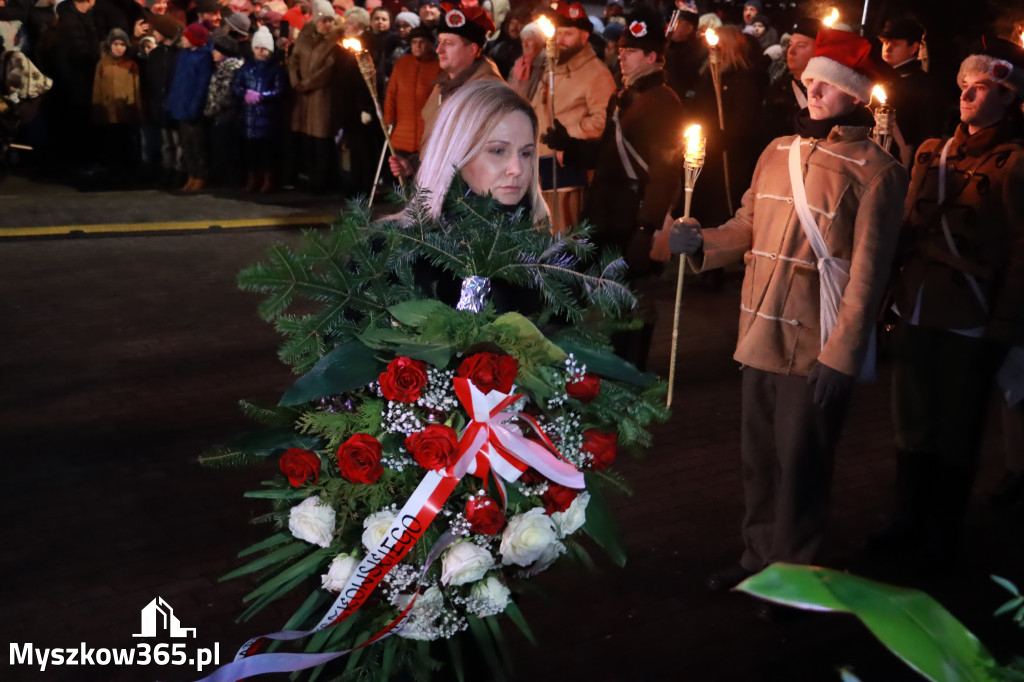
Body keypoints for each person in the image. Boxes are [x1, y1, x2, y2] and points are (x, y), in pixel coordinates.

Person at [670, 28, 908, 609]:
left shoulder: (876, 169)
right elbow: (747, 226)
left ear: (854, 95)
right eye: (812, 81)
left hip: (816, 340)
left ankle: (796, 576)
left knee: (801, 463)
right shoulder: (777, 151)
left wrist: (841, 354)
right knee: (758, 459)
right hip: (760, 331)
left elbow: (868, 276)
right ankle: (757, 560)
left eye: (829, 83)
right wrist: (700, 240)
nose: (815, 89)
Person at [869, 37, 1024, 566]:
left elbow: (1021, 251)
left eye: (983, 89)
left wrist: (1004, 322)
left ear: (1007, 98)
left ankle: (942, 532)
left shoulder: (1015, 164)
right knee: (912, 419)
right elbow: (909, 223)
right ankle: (907, 517)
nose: (969, 97)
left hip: (971, 312)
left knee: (957, 425)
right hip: (916, 304)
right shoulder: (934, 153)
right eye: (964, 87)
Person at [543, 6, 684, 370]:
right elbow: (608, 154)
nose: (620, 56)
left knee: (632, 302)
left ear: (652, 56)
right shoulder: (622, 97)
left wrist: (646, 228)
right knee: (576, 289)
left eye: (631, 51)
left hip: (631, 217)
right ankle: (587, 365)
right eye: (620, 50)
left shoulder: (664, 103)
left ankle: (629, 372)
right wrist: (570, 145)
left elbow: (666, 172)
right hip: (603, 213)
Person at [388, 2, 501, 180]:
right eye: (440, 42)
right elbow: (439, 145)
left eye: (449, 43)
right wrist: (414, 164)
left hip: (468, 200)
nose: (439, 49)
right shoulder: (443, 85)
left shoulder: (487, 91)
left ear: (472, 49)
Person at [532, 1, 615, 232]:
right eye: (558, 33)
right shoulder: (551, 67)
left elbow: (602, 122)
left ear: (584, 36)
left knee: (564, 237)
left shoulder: (596, 73)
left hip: (569, 170)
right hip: (541, 164)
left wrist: (567, 137)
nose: (560, 39)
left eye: (568, 34)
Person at [287, 0, 342, 191]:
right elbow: (294, 59)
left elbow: (329, 68)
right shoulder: (306, 33)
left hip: (321, 96)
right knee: (306, 137)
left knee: (321, 138)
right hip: (303, 97)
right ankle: (308, 176)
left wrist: (307, 83)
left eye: (330, 20)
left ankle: (323, 181)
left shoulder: (335, 39)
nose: (327, 25)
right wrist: (296, 82)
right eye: (323, 20)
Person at [877, 17, 946, 167]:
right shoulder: (877, 77)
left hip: (901, 164)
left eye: (895, 44)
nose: (887, 49)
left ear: (914, 48)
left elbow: (928, 133)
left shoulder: (924, 85)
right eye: (885, 43)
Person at [232, 24, 287, 192]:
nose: (260, 51)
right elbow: (236, 85)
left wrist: (262, 95)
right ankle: (253, 178)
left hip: (268, 118)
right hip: (249, 118)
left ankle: (268, 179)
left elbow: (280, 89)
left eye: (264, 48)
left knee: (267, 153)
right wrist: (244, 94)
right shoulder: (247, 67)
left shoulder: (275, 69)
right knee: (252, 153)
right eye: (257, 48)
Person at [167, 22, 214, 192]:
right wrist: (173, 102)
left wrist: (195, 107)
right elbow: (178, 82)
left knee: (198, 145)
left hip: (193, 108)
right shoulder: (183, 55)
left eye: (187, 36)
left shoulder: (204, 57)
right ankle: (191, 175)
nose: (183, 39)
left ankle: (201, 176)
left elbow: (202, 85)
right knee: (186, 144)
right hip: (182, 106)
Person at [92, 27, 143, 182]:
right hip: (110, 110)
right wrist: (97, 108)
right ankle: (114, 169)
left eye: (122, 44)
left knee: (127, 141)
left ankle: (129, 170)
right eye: (115, 44)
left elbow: (136, 88)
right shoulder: (103, 64)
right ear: (110, 45)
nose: (119, 48)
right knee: (112, 141)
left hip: (127, 110)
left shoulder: (131, 64)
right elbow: (98, 88)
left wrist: (138, 109)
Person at [382, 25, 441, 159]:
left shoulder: (438, 67)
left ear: (431, 44)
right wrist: (388, 119)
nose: (417, 46)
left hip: (426, 136)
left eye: (422, 42)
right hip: (401, 133)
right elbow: (391, 93)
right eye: (414, 42)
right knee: (400, 175)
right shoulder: (402, 63)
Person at [762, 16, 819, 144]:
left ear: (819, 50)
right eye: (790, 45)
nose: (791, 51)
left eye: (801, 46)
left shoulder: (828, 91)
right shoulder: (779, 86)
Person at [203, 33, 244, 187]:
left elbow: (224, 94)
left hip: (226, 115)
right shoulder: (222, 67)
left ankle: (229, 180)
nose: (213, 53)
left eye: (217, 50)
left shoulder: (229, 69)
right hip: (222, 114)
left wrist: (211, 110)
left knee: (226, 148)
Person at [664, 0, 704, 102]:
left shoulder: (698, 52)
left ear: (689, 28)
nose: (670, 27)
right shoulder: (667, 47)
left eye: (676, 23)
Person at [508, 21, 544, 102]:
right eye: (523, 40)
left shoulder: (545, 65)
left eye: (529, 40)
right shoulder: (518, 63)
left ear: (540, 41)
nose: (525, 44)